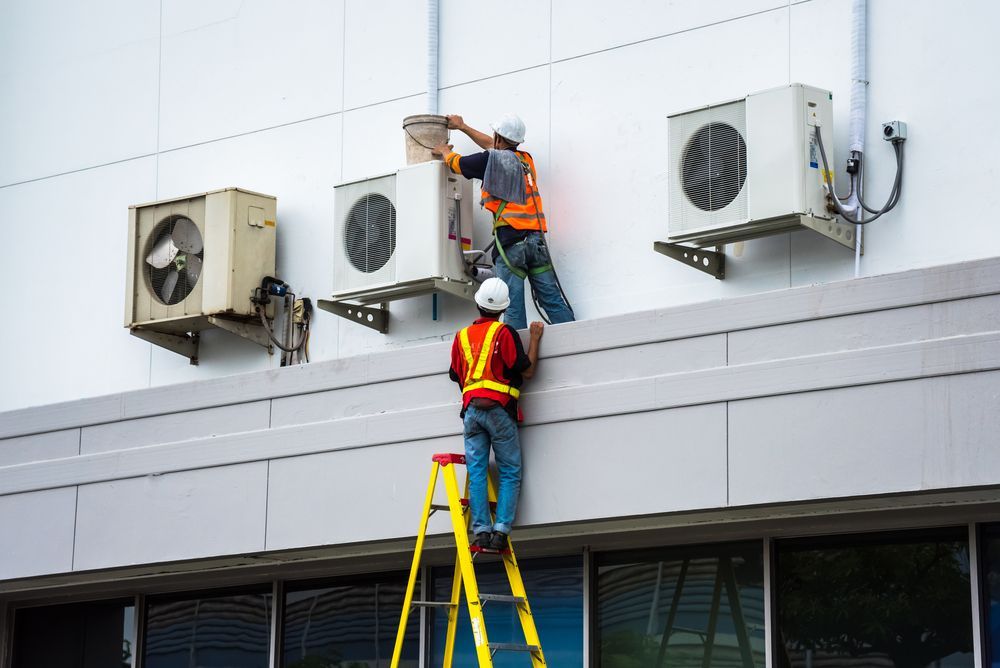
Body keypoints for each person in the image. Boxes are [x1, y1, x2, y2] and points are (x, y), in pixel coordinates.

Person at [432, 113, 575, 331]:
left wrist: (444, 151)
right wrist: (463, 127)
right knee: (551, 299)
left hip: (511, 244)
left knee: (513, 307)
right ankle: (574, 338)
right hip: (537, 243)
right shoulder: (526, 160)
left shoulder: (490, 160)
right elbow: (495, 145)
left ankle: (515, 355)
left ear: (498, 137)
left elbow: (458, 165)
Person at [448, 277, 544, 550]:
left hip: (471, 413)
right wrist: (535, 339)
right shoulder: (504, 333)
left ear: (478, 303)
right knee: (510, 470)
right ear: (503, 309)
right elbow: (526, 371)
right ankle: (501, 531)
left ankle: (481, 531)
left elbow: (456, 374)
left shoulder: (461, 337)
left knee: (477, 471)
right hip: (499, 411)